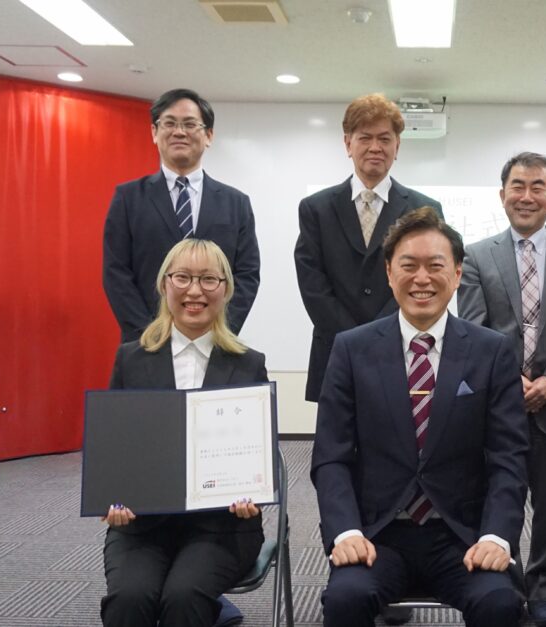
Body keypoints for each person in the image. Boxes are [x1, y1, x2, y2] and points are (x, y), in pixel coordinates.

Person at [310, 207, 528, 627]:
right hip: (378, 535)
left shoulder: (492, 351)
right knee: (345, 598)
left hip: (462, 536)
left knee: (499, 602)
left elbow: (509, 458)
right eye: (408, 266)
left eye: (436, 266)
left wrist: (496, 537)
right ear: (389, 273)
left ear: (458, 273)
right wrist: (346, 532)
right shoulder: (351, 349)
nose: (422, 278)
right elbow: (331, 457)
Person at [458, 152, 546, 625]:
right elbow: (473, 326)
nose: (527, 195)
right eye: (518, 186)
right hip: (497, 403)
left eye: (538, 187)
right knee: (500, 494)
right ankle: (507, 580)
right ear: (502, 195)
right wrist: (510, 380)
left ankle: (542, 586)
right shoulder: (476, 256)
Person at [100, 239, 266, 627]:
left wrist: (254, 493)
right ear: (164, 285)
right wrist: (112, 495)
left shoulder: (248, 364)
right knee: (129, 599)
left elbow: (257, 453)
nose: (195, 291)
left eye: (209, 279)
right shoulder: (130, 359)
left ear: (226, 289)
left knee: (183, 598)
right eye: (183, 278)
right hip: (142, 525)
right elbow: (115, 446)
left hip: (222, 527)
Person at [295, 93, 442, 403]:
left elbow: (424, 279)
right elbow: (313, 286)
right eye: (365, 138)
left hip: (402, 349)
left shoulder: (424, 209)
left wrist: (381, 335)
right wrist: (353, 340)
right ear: (348, 143)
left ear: (397, 146)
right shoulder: (316, 208)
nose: (375, 147)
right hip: (334, 349)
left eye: (384, 139)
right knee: (337, 432)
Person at [103, 88, 260, 343]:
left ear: (209, 135)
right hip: (145, 343)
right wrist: (150, 335)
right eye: (169, 123)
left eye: (189, 124)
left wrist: (218, 331)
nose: (179, 132)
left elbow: (247, 275)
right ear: (154, 132)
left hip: (216, 343)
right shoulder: (128, 198)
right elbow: (116, 273)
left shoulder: (236, 203)